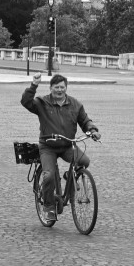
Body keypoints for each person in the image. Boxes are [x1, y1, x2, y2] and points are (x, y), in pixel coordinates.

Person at [21, 73, 100, 222]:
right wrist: (34, 85)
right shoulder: (42, 102)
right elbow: (26, 102)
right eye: (56, 87)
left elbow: (84, 120)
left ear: (66, 88)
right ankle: (49, 207)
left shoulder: (75, 104)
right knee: (49, 175)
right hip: (48, 147)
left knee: (84, 161)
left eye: (62, 87)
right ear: (51, 88)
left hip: (67, 145)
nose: (59, 90)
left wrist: (92, 130)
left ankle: (69, 177)